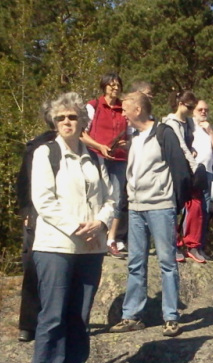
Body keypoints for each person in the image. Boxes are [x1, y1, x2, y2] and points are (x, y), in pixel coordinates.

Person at [28, 92, 114, 363]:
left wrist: (101, 223)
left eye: (73, 117)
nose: (67, 122)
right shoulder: (45, 154)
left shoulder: (96, 158)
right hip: (55, 246)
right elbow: (44, 201)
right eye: (61, 117)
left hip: (91, 249)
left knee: (80, 315)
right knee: (53, 315)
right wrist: (79, 229)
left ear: (82, 121)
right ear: (54, 121)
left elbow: (111, 199)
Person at [108, 92, 190, 337]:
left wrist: (175, 204)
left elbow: (181, 170)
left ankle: (171, 317)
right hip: (135, 208)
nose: (122, 113)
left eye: (125, 109)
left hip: (161, 207)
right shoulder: (134, 137)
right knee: (135, 263)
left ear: (137, 110)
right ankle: (131, 315)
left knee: (167, 262)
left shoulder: (164, 133)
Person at [15, 101, 57, 342]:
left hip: (65, 213)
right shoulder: (37, 146)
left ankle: (50, 323)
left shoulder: (78, 146)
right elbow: (23, 182)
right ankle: (29, 325)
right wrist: (25, 211)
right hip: (36, 213)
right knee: (33, 267)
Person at [80, 73, 128, 259]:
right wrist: (99, 146)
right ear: (104, 86)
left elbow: (131, 134)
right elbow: (81, 134)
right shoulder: (93, 106)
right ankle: (93, 235)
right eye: (111, 85)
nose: (115, 88)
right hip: (96, 156)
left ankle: (111, 239)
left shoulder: (124, 108)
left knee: (116, 198)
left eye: (118, 85)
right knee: (95, 195)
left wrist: (126, 144)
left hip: (119, 159)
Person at [162, 91, 199, 263]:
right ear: (181, 104)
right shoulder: (171, 122)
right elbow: (181, 146)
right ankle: (172, 244)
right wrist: (194, 165)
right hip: (174, 169)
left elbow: (191, 145)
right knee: (173, 207)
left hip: (187, 168)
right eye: (189, 107)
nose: (191, 110)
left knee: (189, 207)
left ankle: (187, 244)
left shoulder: (190, 123)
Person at [190, 99, 213, 262]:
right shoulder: (189, 126)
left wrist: (210, 131)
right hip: (191, 172)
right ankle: (184, 243)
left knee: (203, 211)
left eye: (206, 110)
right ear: (193, 111)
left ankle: (199, 246)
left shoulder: (211, 129)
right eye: (200, 109)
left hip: (208, 173)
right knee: (189, 210)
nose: (203, 112)